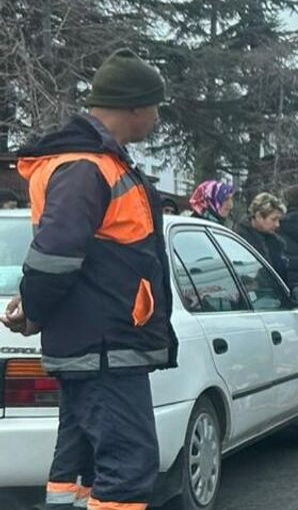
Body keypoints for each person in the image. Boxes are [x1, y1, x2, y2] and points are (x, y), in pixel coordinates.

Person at [1, 49, 177, 510]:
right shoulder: (87, 167)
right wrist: (34, 309)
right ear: (134, 106)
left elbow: (59, 255)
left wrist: (35, 307)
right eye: (155, 106)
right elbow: (56, 255)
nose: (157, 117)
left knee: (78, 470)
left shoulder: (93, 163)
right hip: (105, 347)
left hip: (96, 344)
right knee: (128, 467)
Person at [235, 192, 290, 284]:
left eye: (278, 220)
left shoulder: (276, 242)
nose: (277, 224)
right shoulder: (239, 241)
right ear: (259, 216)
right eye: (273, 219)